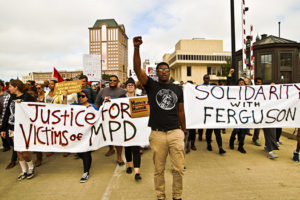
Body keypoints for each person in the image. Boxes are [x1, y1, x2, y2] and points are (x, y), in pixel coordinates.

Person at [133, 36, 186, 200]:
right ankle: (160, 196)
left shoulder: (177, 89)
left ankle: (177, 196)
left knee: (178, 169)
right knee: (159, 170)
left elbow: (181, 111)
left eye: (166, 70)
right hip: (157, 135)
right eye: (160, 70)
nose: (163, 72)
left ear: (170, 73)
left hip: (175, 133)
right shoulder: (151, 85)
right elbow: (136, 70)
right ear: (156, 73)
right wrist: (136, 48)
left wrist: (183, 131)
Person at [0, 80, 35, 180]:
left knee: (23, 150)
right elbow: (7, 113)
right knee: (18, 150)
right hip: (12, 127)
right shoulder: (11, 97)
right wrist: (3, 128)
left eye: (10, 86)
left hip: (23, 127)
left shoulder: (27, 97)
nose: (8, 88)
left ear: (16, 87)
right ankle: (24, 170)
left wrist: (22, 104)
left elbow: (34, 110)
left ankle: (31, 168)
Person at [95, 75, 126, 165]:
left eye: (114, 80)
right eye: (110, 80)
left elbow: (126, 104)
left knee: (118, 137)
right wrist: (94, 112)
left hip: (118, 118)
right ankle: (111, 148)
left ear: (117, 81)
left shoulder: (122, 92)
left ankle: (119, 157)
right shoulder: (103, 91)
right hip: (105, 117)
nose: (112, 81)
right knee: (108, 135)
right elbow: (97, 102)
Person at [71, 89, 98, 183]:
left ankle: (86, 172)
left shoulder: (92, 106)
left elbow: (99, 116)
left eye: (83, 96)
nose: (81, 98)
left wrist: (93, 109)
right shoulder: (75, 105)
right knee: (79, 152)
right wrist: (65, 96)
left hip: (88, 134)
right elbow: (63, 108)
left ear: (87, 97)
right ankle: (87, 162)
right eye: (79, 96)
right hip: (77, 134)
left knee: (86, 152)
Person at [124, 78, 142, 181]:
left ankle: (137, 172)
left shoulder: (140, 98)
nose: (130, 86)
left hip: (137, 127)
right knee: (127, 148)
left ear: (135, 87)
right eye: (128, 85)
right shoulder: (121, 99)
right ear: (126, 87)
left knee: (136, 149)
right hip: (126, 127)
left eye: (132, 85)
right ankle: (129, 165)